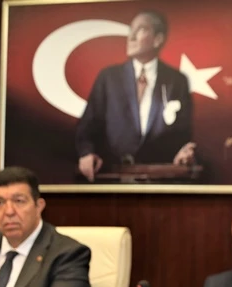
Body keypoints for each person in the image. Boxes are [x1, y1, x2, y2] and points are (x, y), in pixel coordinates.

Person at [76, 10, 195, 182]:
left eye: (140, 29)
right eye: (131, 29)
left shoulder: (177, 81)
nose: (130, 36)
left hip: (160, 181)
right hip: (112, 179)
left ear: (158, 39)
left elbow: (184, 135)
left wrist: (183, 152)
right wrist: (86, 153)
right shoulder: (108, 78)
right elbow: (86, 128)